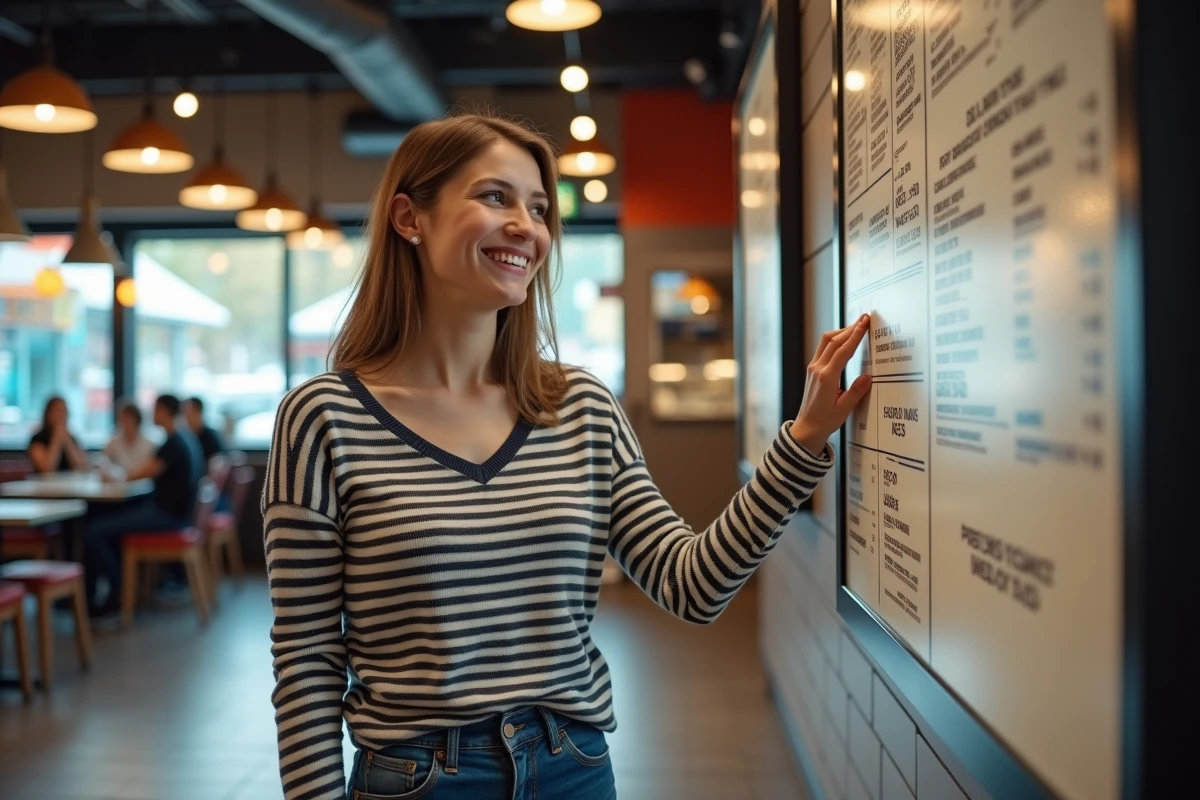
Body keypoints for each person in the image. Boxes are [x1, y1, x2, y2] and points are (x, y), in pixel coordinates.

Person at [262, 113, 872, 800]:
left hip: (572, 769)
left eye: (539, 207)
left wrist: (803, 441)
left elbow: (691, 584)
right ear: (410, 217)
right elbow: (308, 661)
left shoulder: (579, 405)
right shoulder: (323, 417)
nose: (528, 226)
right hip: (419, 781)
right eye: (495, 197)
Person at [85, 394, 204, 618]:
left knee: (94, 531)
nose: (152, 414)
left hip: (167, 517)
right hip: (178, 516)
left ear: (165, 412)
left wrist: (114, 477)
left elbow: (140, 474)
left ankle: (119, 594)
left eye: (156, 409)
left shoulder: (173, 443)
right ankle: (126, 590)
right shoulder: (186, 439)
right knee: (108, 523)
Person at [27, 396, 90, 473]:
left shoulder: (72, 439)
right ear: (48, 413)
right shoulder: (38, 439)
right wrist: (57, 438)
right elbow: (46, 468)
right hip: (45, 484)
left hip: (70, 483)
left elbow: (82, 467)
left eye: (64, 412)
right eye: (57, 411)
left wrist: (67, 441)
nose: (61, 416)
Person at [100, 400, 157, 476]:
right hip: (118, 483)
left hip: (141, 484)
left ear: (137, 420)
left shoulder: (149, 445)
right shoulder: (114, 442)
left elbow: (150, 470)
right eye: (122, 418)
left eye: (128, 418)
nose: (125, 422)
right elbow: (104, 462)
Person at [182, 397, 224, 463]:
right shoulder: (186, 437)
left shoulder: (210, 437)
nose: (185, 415)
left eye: (187, 411)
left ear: (197, 411)